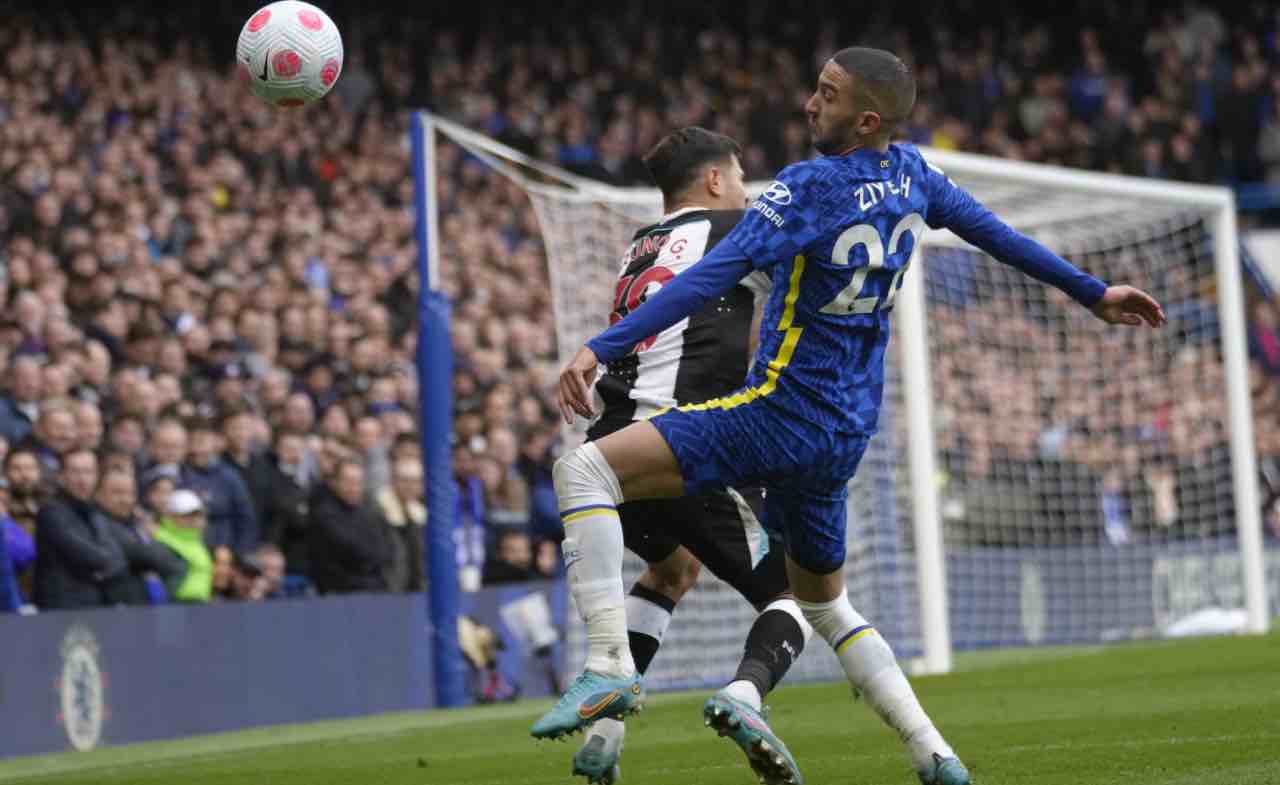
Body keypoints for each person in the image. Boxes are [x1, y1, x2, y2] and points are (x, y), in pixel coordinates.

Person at [543, 47, 1166, 785]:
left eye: (827, 94)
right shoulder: (916, 177)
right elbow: (998, 235)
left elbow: (714, 273)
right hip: (844, 435)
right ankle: (936, 754)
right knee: (824, 602)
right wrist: (1091, 291)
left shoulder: (808, 188)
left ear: (866, 118)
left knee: (585, 468)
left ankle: (609, 666)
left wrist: (602, 343)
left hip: (775, 412)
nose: (810, 102)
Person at [560, 127, 815, 785]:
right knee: (795, 595)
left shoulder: (640, 245)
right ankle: (745, 694)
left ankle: (605, 735)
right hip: (683, 442)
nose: (743, 191)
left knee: (673, 569)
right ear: (713, 181)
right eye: (737, 177)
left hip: (612, 450)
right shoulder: (734, 225)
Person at [33, 449, 127, 610]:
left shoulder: (95, 512)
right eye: (75, 472)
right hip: (60, 608)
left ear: (96, 476)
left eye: (88, 472)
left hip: (95, 603)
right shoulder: (51, 512)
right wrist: (107, 566)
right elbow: (84, 553)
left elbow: (119, 557)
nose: (82, 479)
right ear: (61, 476)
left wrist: (107, 567)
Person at [93, 468, 187, 605]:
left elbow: (173, 562)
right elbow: (146, 554)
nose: (126, 500)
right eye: (117, 493)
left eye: (130, 493)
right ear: (98, 494)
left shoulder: (136, 524)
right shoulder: (99, 523)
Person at [307, 459, 389, 594]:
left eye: (358, 482)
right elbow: (354, 550)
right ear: (334, 483)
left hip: (374, 588)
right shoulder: (325, 514)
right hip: (339, 593)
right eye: (348, 481)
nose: (354, 487)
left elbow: (385, 549)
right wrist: (373, 556)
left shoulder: (368, 512)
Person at [182, 417, 258, 556]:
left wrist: (239, 555)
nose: (197, 449)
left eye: (201, 442)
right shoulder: (179, 473)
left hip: (225, 553)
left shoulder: (228, 476)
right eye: (191, 442)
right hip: (187, 550)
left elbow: (246, 519)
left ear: (213, 443)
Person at [151, 489, 215, 603]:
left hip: (200, 606)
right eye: (186, 515)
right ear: (171, 515)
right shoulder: (160, 539)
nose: (193, 520)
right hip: (175, 606)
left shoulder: (197, 541)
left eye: (196, 514)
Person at [374, 456, 426, 593]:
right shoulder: (378, 511)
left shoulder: (421, 514)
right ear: (393, 481)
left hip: (414, 592)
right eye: (405, 481)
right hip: (385, 592)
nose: (410, 487)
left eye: (415, 482)